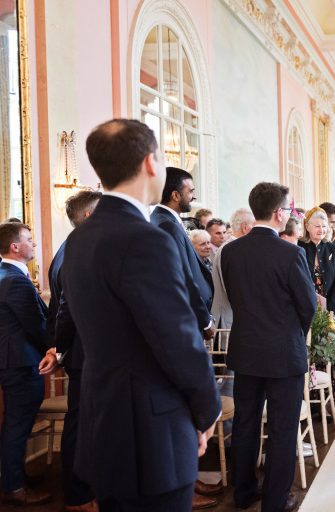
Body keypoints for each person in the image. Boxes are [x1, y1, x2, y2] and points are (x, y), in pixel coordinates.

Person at [62, 119, 221, 511]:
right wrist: (207, 409)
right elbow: (176, 338)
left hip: (103, 425)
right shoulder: (146, 238)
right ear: (152, 163)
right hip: (152, 435)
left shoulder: (80, 237)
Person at [221, 182, 316, 512]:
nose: (290, 214)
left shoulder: (230, 251)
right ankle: (275, 501)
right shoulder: (291, 253)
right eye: (289, 209)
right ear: (279, 213)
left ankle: (244, 492)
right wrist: (293, 333)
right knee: (282, 428)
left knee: (246, 424)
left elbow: (236, 299)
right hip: (283, 353)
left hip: (245, 350)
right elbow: (308, 306)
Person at [46, 190, 101, 511]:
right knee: (80, 424)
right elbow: (66, 309)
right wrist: (60, 349)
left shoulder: (73, 249)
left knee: (86, 422)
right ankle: (78, 494)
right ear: (90, 216)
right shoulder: (75, 253)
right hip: (84, 353)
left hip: (83, 351)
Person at [0, 222, 52, 506]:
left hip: (13, 360)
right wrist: (55, 350)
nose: (34, 243)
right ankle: (14, 486)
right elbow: (34, 324)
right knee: (18, 425)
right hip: (20, 362)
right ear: (15, 247)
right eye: (29, 239)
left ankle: (14, 476)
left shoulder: (6, 274)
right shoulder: (14, 279)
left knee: (15, 423)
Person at [150, 166, 215, 339]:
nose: (194, 196)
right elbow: (182, 276)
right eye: (191, 191)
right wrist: (205, 320)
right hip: (186, 319)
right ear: (175, 196)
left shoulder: (166, 220)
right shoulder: (167, 225)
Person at [211, 208, 256, 329]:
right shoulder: (232, 250)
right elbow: (236, 289)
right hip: (229, 320)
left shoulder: (232, 248)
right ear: (245, 227)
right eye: (254, 226)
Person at [299, 207, 335, 315]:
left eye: (324, 226)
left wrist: (329, 308)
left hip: (330, 308)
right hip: (304, 307)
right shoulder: (299, 248)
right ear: (307, 226)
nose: (321, 230)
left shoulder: (334, 248)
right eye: (317, 226)